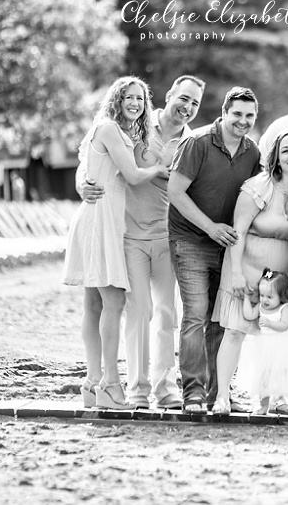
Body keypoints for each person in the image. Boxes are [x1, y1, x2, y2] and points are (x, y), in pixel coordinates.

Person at [78, 75, 204, 409]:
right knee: (137, 311)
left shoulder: (194, 144)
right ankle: (137, 387)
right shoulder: (136, 126)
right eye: (184, 98)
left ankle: (165, 386)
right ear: (169, 94)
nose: (188, 107)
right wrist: (82, 184)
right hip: (127, 234)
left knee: (166, 312)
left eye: (195, 103)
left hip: (166, 236)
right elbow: (92, 159)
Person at [62, 76, 169, 409]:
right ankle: (110, 384)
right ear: (116, 99)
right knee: (113, 303)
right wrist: (162, 167)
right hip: (101, 218)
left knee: (95, 305)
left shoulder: (114, 131)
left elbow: (91, 164)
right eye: (129, 97)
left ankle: (92, 384)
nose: (135, 103)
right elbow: (135, 175)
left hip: (102, 216)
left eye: (140, 98)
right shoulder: (109, 129)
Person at [167, 86, 261, 414]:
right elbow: (175, 192)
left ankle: (218, 392)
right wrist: (211, 228)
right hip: (191, 240)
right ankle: (192, 392)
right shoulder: (197, 143)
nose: (243, 121)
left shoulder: (253, 153)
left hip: (228, 247)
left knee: (221, 320)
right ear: (224, 112)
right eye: (237, 114)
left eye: (250, 116)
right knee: (195, 315)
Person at [210, 131, 288, 414]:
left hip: (284, 275)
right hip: (247, 267)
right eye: (285, 151)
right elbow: (238, 231)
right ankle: (222, 396)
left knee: (279, 338)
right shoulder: (259, 186)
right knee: (236, 331)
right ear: (277, 159)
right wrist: (236, 275)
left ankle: (279, 398)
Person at [235, 269, 288, 417]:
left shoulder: (284, 307)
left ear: (281, 295)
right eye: (262, 296)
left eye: (269, 296)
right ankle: (264, 407)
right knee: (264, 379)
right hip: (265, 348)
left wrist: (269, 323)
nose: (264, 300)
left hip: (284, 347)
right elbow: (249, 315)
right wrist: (247, 298)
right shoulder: (261, 307)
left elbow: (285, 325)